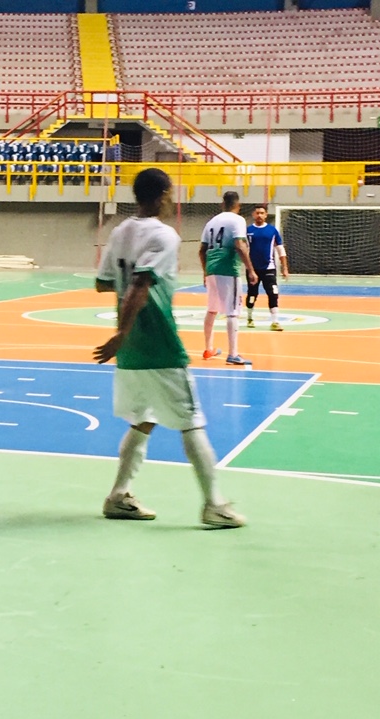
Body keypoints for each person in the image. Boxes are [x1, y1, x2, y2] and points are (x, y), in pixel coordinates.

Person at [92, 167, 245, 530]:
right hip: (158, 343)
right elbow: (140, 286)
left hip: (130, 355)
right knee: (191, 423)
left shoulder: (119, 231)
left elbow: (103, 284)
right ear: (162, 194)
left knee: (142, 419)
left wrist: (122, 336)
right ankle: (214, 504)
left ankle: (118, 496)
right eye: (171, 191)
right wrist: (122, 331)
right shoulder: (164, 235)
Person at [198, 191, 258, 365]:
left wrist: (205, 272)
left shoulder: (211, 222)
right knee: (233, 311)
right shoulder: (237, 220)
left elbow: (201, 250)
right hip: (227, 268)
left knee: (212, 309)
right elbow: (239, 245)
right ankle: (233, 354)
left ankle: (209, 348)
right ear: (237, 206)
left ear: (222, 204)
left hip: (211, 269)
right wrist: (251, 269)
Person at [245, 203, 289, 330]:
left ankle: (275, 322)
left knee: (273, 293)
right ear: (253, 215)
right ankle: (249, 318)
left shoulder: (272, 231)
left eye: (262, 213)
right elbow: (243, 249)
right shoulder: (248, 231)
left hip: (269, 268)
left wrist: (284, 268)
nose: (259, 215)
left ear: (266, 215)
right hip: (253, 269)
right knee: (252, 293)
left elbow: (281, 250)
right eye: (257, 213)